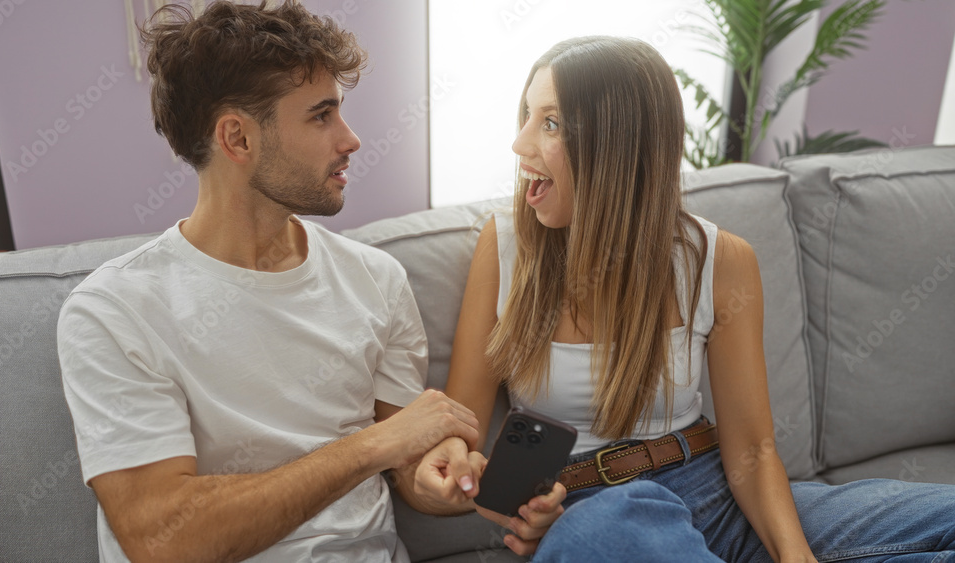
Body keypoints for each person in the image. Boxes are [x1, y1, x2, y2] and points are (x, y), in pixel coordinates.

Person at [416, 36, 955, 562]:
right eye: (527, 116)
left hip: (715, 496)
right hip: (594, 515)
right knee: (604, 527)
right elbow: (463, 447)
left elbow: (753, 451)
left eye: (551, 123)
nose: (521, 144)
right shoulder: (506, 248)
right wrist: (480, 489)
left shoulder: (719, 260)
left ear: (618, 146)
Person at [55, 2, 560, 561]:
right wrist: (370, 447)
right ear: (237, 139)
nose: (351, 139)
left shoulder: (377, 279)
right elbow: (163, 539)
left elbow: (408, 467)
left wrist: (445, 483)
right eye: (321, 116)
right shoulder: (114, 310)